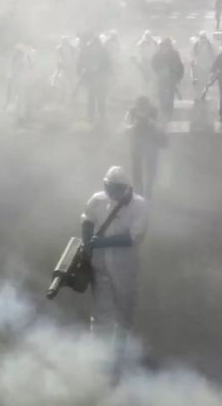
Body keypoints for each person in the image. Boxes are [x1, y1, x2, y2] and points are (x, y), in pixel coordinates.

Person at [81, 166, 149, 360]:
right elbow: (87, 218)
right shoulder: (97, 200)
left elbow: (135, 236)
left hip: (124, 265)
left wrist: (105, 242)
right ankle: (98, 353)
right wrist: (87, 242)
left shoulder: (139, 205)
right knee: (101, 310)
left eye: (117, 188)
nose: (112, 191)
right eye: (109, 186)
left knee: (125, 307)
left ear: (126, 188)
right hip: (100, 263)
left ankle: (120, 353)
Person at [124, 97, 167, 199]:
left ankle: (149, 188)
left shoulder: (154, 112)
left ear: (148, 106)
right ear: (137, 106)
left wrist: (152, 124)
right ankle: (139, 191)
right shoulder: (131, 112)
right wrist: (132, 127)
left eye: (145, 107)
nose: (142, 110)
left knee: (151, 168)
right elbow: (126, 124)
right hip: (136, 142)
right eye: (140, 107)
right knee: (136, 168)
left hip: (151, 143)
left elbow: (161, 125)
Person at [76, 33, 113, 122]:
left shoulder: (104, 53)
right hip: (92, 80)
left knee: (101, 99)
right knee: (91, 99)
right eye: (92, 45)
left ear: (98, 45)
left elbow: (108, 65)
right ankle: (90, 116)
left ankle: (102, 116)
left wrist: (100, 69)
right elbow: (83, 65)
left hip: (102, 79)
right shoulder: (88, 54)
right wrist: (83, 73)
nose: (93, 48)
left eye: (95, 45)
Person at [151, 37, 184, 118]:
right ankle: (163, 109)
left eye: (167, 46)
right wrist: (158, 71)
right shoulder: (158, 54)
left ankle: (169, 111)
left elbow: (179, 65)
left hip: (171, 77)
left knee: (170, 94)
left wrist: (179, 76)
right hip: (162, 77)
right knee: (161, 93)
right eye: (164, 46)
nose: (166, 48)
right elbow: (153, 64)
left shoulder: (174, 54)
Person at [191, 31, 214, 104]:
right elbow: (192, 54)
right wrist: (192, 62)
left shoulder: (209, 45)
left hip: (207, 65)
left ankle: (204, 93)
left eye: (203, 37)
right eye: (201, 37)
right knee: (197, 81)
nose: (202, 39)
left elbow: (213, 54)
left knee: (206, 81)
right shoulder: (196, 44)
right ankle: (197, 95)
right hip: (198, 65)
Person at [53, 36, 78, 104]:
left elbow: (74, 57)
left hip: (68, 67)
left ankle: (70, 96)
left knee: (68, 82)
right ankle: (63, 97)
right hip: (63, 67)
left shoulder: (70, 48)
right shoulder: (60, 48)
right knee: (63, 82)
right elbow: (57, 57)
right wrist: (59, 64)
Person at [135, 30, 158, 94]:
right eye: (147, 36)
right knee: (145, 78)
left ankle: (152, 93)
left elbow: (157, 51)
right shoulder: (141, 43)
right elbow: (138, 52)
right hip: (144, 62)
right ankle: (144, 92)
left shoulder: (154, 43)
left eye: (149, 36)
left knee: (153, 78)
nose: (148, 37)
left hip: (152, 62)